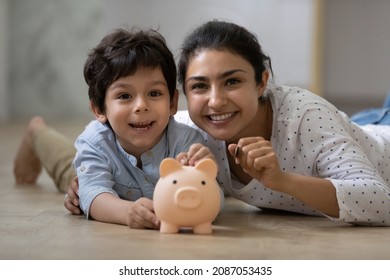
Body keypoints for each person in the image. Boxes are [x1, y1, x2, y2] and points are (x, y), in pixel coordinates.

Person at [18, 20, 390, 227]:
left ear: (262, 81)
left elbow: (380, 202)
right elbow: (105, 164)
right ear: (184, 94)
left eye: (232, 81)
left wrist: (282, 181)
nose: (215, 101)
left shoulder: (304, 117)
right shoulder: (186, 127)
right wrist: (87, 195)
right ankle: (38, 132)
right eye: (200, 86)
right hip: (353, 130)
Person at [13, 27, 218, 229]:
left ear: (172, 103)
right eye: (124, 96)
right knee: (69, 174)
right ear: (99, 109)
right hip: (99, 171)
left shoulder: (186, 141)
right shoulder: (95, 142)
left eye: (154, 93)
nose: (141, 105)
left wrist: (201, 174)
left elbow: (209, 197)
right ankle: (36, 131)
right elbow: (94, 194)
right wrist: (127, 212)